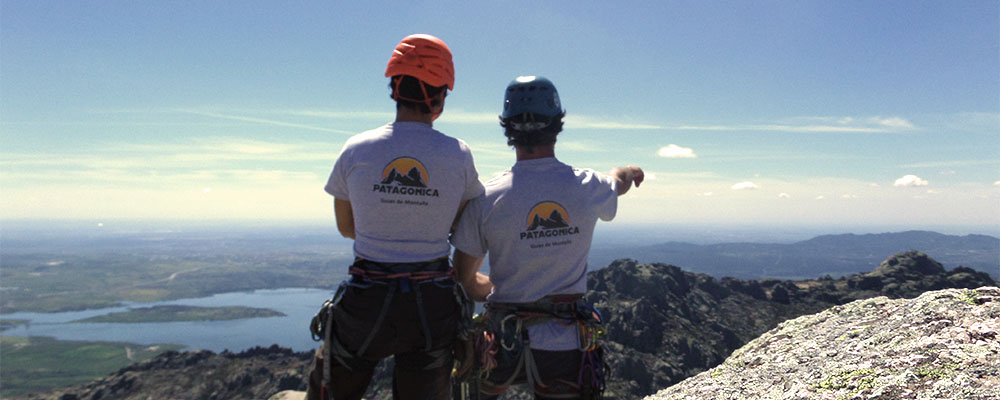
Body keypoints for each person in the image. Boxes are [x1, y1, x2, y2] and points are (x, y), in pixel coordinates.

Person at [306, 33, 484, 400]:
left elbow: (347, 228)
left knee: (331, 385)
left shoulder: (357, 149)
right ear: (441, 96)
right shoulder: (458, 154)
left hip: (365, 299)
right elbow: (464, 224)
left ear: (394, 88)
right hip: (431, 305)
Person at [450, 76, 644, 399]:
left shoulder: (486, 199)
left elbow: (463, 278)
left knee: (479, 382)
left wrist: (501, 291)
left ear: (508, 129)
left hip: (500, 344)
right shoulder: (588, 187)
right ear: (557, 126)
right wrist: (629, 170)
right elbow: (618, 182)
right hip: (565, 346)